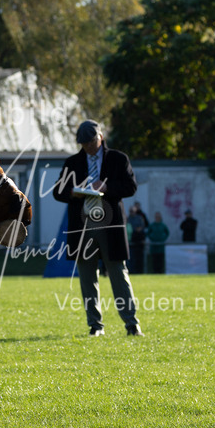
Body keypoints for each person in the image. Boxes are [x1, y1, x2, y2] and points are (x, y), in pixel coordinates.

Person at [53, 119, 143, 337]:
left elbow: (130, 187)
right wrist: (73, 192)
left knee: (118, 274)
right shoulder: (72, 162)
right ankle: (95, 325)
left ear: (100, 137)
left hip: (111, 226)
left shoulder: (118, 159)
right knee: (87, 277)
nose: (88, 147)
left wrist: (107, 187)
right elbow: (58, 191)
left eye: (91, 142)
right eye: (83, 144)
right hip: (82, 226)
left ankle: (132, 324)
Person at [127, 204, 147, 274]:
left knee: (139, 259)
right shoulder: (128, 219)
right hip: (131, 242)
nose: (131, 212)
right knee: (131, 259)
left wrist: (138, 230)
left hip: (139, 242)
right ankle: (131, 272)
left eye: (132, 211)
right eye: (130, 211)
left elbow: (142, 227)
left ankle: (139, 272)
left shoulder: (139, 218)